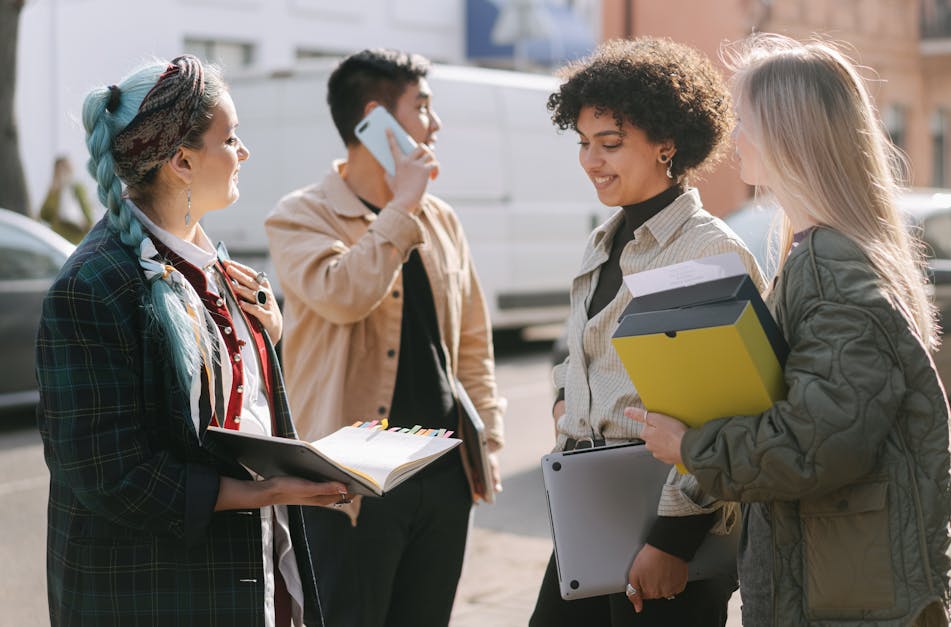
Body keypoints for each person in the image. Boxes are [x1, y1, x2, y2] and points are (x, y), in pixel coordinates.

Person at [629, 35, 951, 626]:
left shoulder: (834, 266)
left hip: (848, 598)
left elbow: (819, 442)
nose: (735, 139)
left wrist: (690, 447)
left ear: (788, 133)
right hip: (835, 583)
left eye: (745, 120)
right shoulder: (820, 252)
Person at [36, 55, 348, 626]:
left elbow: (229, 413)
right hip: (151, 591)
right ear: (181, 161)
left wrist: (268, 337)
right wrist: (261, 492)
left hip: (246, 570)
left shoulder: (211, 262)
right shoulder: (93, 287)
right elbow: (107, 473)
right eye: (230, 139)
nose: (244, 153)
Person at [264, 48, 505, 627]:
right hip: (351, 483)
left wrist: (488, 440)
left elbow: (471, 338)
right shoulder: (301, 216)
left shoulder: (441, 219)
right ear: (377, 119)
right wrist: (401, 205)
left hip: (443, 470)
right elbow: (344, 294)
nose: (435, 123)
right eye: (423, 107)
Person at [529, 37, 765, 627]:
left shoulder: (706, 248)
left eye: (610, 144)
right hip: (589, 511)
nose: (591, 160)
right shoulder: (602, 239)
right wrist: (566, 401)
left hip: (666, 529)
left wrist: (673, 540)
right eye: (584, 143)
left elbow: (726, 411)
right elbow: (581, 349)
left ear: (667, 145)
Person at [38, 155, 95, 244]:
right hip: (57, 239)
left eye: (64, 169)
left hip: (75, 240)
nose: (62, 173)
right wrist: (53, 192)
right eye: (59, 171)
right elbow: (44, 215)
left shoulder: (77, 188)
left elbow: (88, 217)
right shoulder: (54, 190)